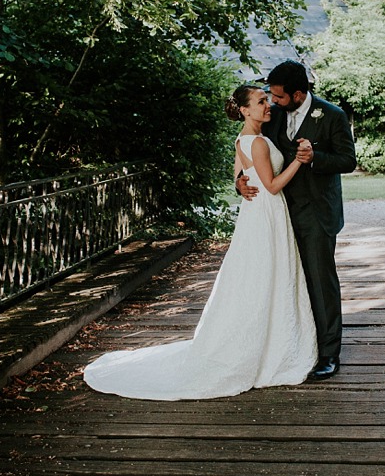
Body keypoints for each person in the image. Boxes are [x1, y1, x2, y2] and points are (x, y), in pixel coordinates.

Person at [82, 85, 319, 397]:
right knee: (267, 274)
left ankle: (269, 340)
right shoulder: (257, 142)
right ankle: (269, 347)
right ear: (245, 110)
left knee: (259, 275)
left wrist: (239, 183)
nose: (267, 105)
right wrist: (300, 161)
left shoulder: (243, 139)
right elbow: (272, 186)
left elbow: (240, 173)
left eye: (266, 100)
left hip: (258, 213)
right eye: (261, 102)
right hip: (267, 211)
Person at [255, 64, 357, 377]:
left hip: (316, 214)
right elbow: (254, 153)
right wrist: (240, 182)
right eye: (270, 96)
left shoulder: (332, 115)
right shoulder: (273, 116)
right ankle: (296, 345)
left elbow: (348, 161)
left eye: (279, 96)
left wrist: (316, 158)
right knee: (285, 279)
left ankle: (328, 355)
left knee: (320, 281)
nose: (273, 101)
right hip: (280, 211)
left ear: (298, 94)